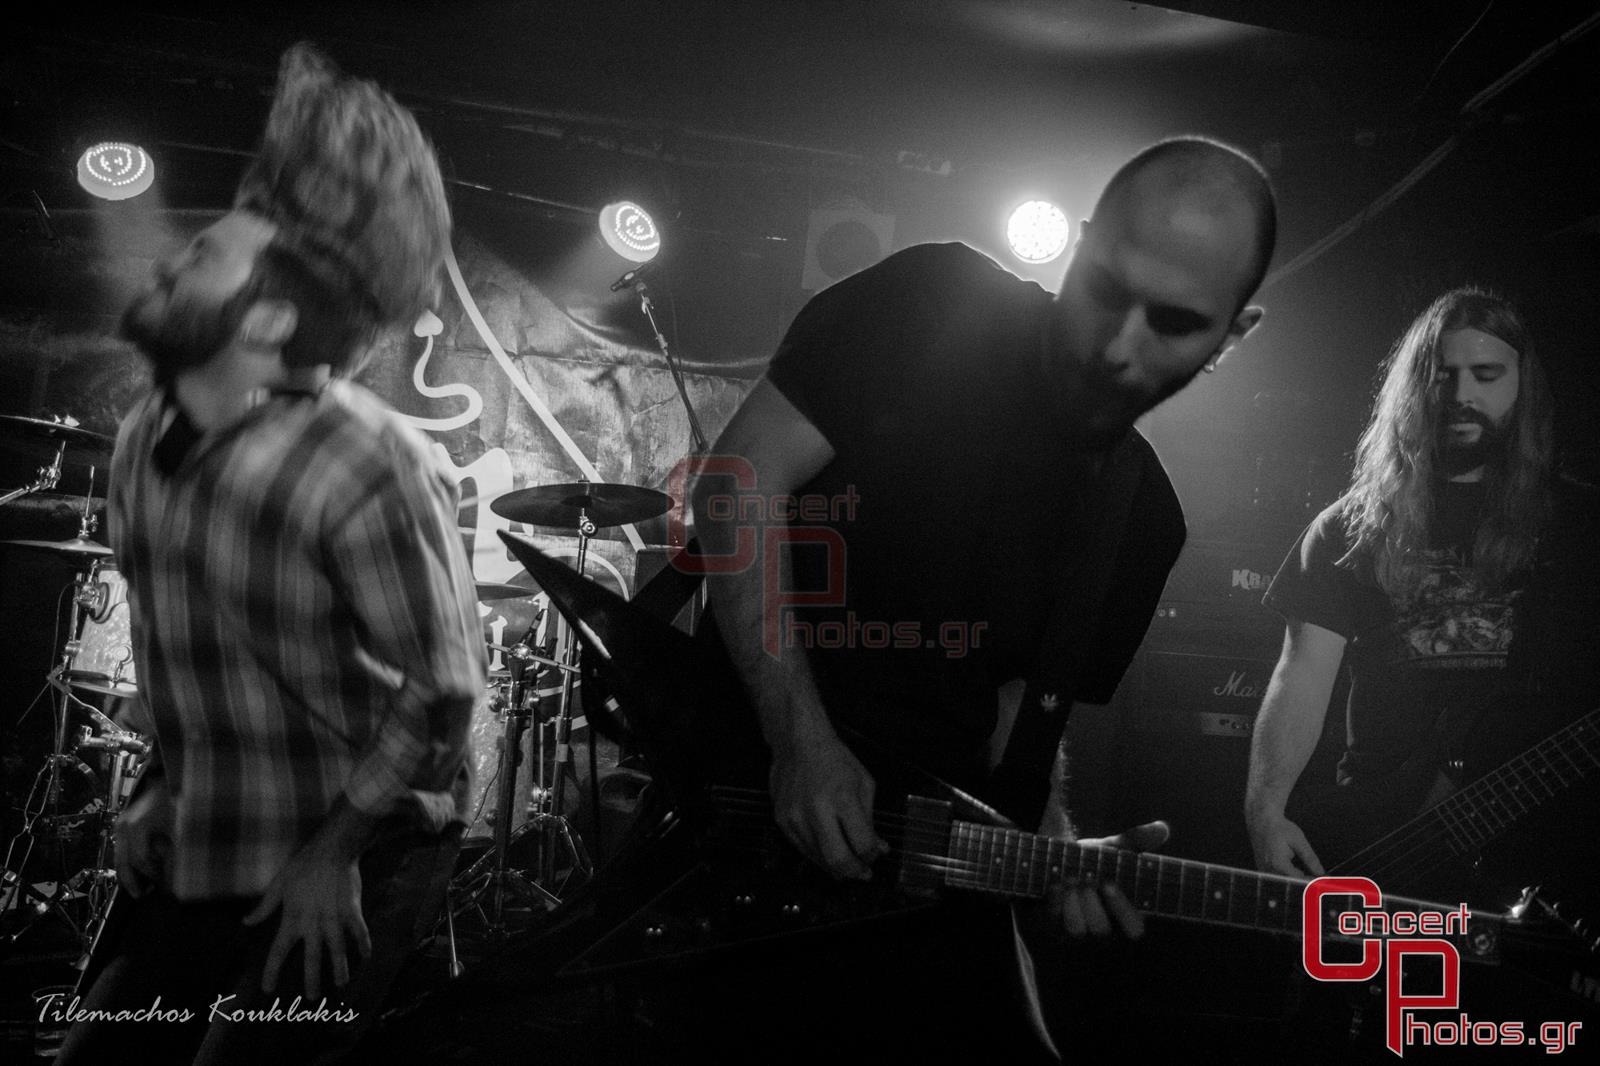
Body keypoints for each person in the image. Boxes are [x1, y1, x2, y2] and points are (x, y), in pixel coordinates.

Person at [686, 136, 1276, 1061]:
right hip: (736, 821)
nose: (1117, 348)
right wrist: (798, 740)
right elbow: (735, 484)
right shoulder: (933, 304)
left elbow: (1011, 715)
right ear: (1081, 242)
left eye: (1173, 322)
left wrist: (1054, 844)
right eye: (1106, 288)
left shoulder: (1142, 521)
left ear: (1231, 337)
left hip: (917, 881)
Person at [56, 44, 484, 1066]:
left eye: (203, 255)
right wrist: (160, 785)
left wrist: (335, 853)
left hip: (367, 836)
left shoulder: (369, 460)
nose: (168, 259)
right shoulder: (142, 437)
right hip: (227, 813)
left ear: (268, 318)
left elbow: (443, 690)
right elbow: (187, 647)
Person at [1244, 288, 1562, 884]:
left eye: (1486, 375)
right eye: (1443, 375)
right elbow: (1300, 677)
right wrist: (1265, 811)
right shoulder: (1350, 527)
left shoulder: (1577, 526)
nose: (1462, 395)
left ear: (1523, 388)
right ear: (1414, 387)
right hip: (1383, 835)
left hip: (1536, 843)